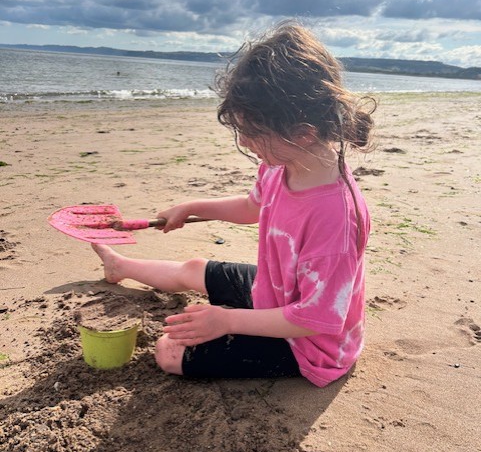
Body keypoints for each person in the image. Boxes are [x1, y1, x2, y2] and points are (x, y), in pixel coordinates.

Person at [92, 22, 375, 388]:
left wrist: (226, 321)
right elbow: (251, 207)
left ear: (303, 131)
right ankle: (121, 266)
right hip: (277, 292)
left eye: (252, 132)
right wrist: (192, 207)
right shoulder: (284, 164)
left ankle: (233, 323)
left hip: (308, 342)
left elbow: (315, 318)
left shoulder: (335, 217)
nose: (244, 140)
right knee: (193, 268)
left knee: (169, 352)